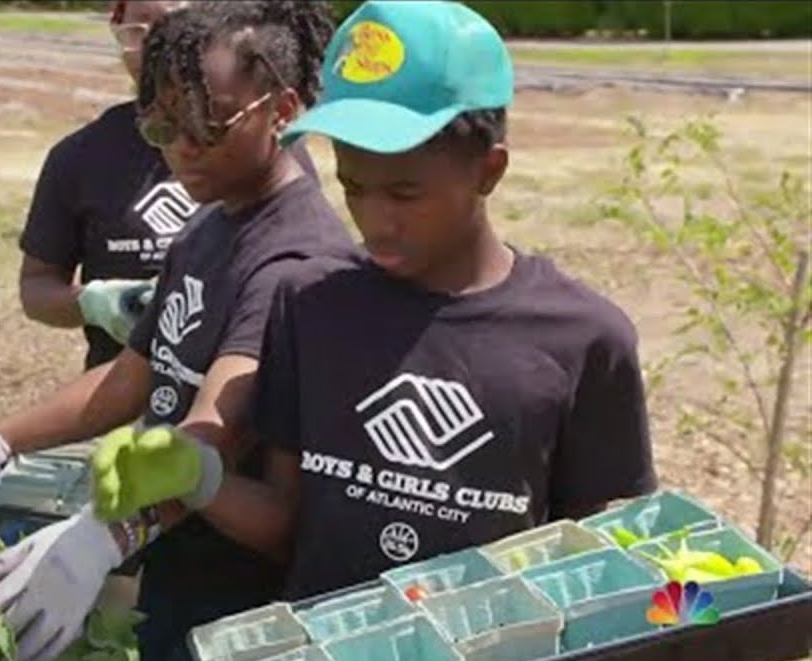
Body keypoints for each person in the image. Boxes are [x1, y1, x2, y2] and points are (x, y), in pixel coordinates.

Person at [89, 0, 657, 609]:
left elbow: (590, 553)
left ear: (489, 171)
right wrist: (197, 477)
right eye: (353, 187)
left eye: (405, 193)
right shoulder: (310, 306)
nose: (375, 219)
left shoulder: (581, 339)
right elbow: (286, 524)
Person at [0, 2, 353, 661]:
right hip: (179, 569)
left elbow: (214, 432)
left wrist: (101, 538)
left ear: (284, 109)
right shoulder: (212, 224)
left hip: (240, 602)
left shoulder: (295, 259)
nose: (181, 150)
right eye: (161, 127)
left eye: (207, 124)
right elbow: (133, 376)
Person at [15, 0, 321, 371]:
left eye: (168, 25)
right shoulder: (78, 156)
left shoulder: (265, 149)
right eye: (136, 31)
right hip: (120, 393)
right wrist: (94, 304)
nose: (153, 44)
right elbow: (37, 287)